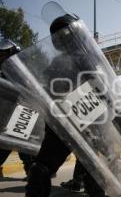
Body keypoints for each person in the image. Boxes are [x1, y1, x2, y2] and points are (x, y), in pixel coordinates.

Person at [25, 14, 105, 197]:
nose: (61, 39)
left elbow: (104, 91)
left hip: (89, 124)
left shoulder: (93, 59)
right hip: (62, 121)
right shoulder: (57, 62)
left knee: (96, 176)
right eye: (58, 36)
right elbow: (44, 87)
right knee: (40, 170)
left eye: (63, 34)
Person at [0, 39, 34, 180]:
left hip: (21, 114)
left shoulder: (23, 71)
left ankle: (34, 175)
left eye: (3, 54)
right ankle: (33, 174)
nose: (0, 57)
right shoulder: (4, 72)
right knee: (20, 147)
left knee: (14, 145)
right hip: (7, 115)